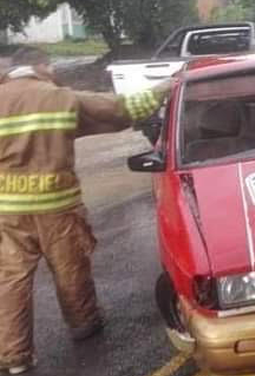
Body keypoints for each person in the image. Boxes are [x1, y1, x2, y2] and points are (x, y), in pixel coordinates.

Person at [0, 47, 172, 374]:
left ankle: (14, 357)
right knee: (70, 269)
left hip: (7, 210)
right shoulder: (60, 97)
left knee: (10, 280)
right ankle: (84, 325)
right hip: (56, 205)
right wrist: (164, 87)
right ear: (42, 66)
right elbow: (118, 109)